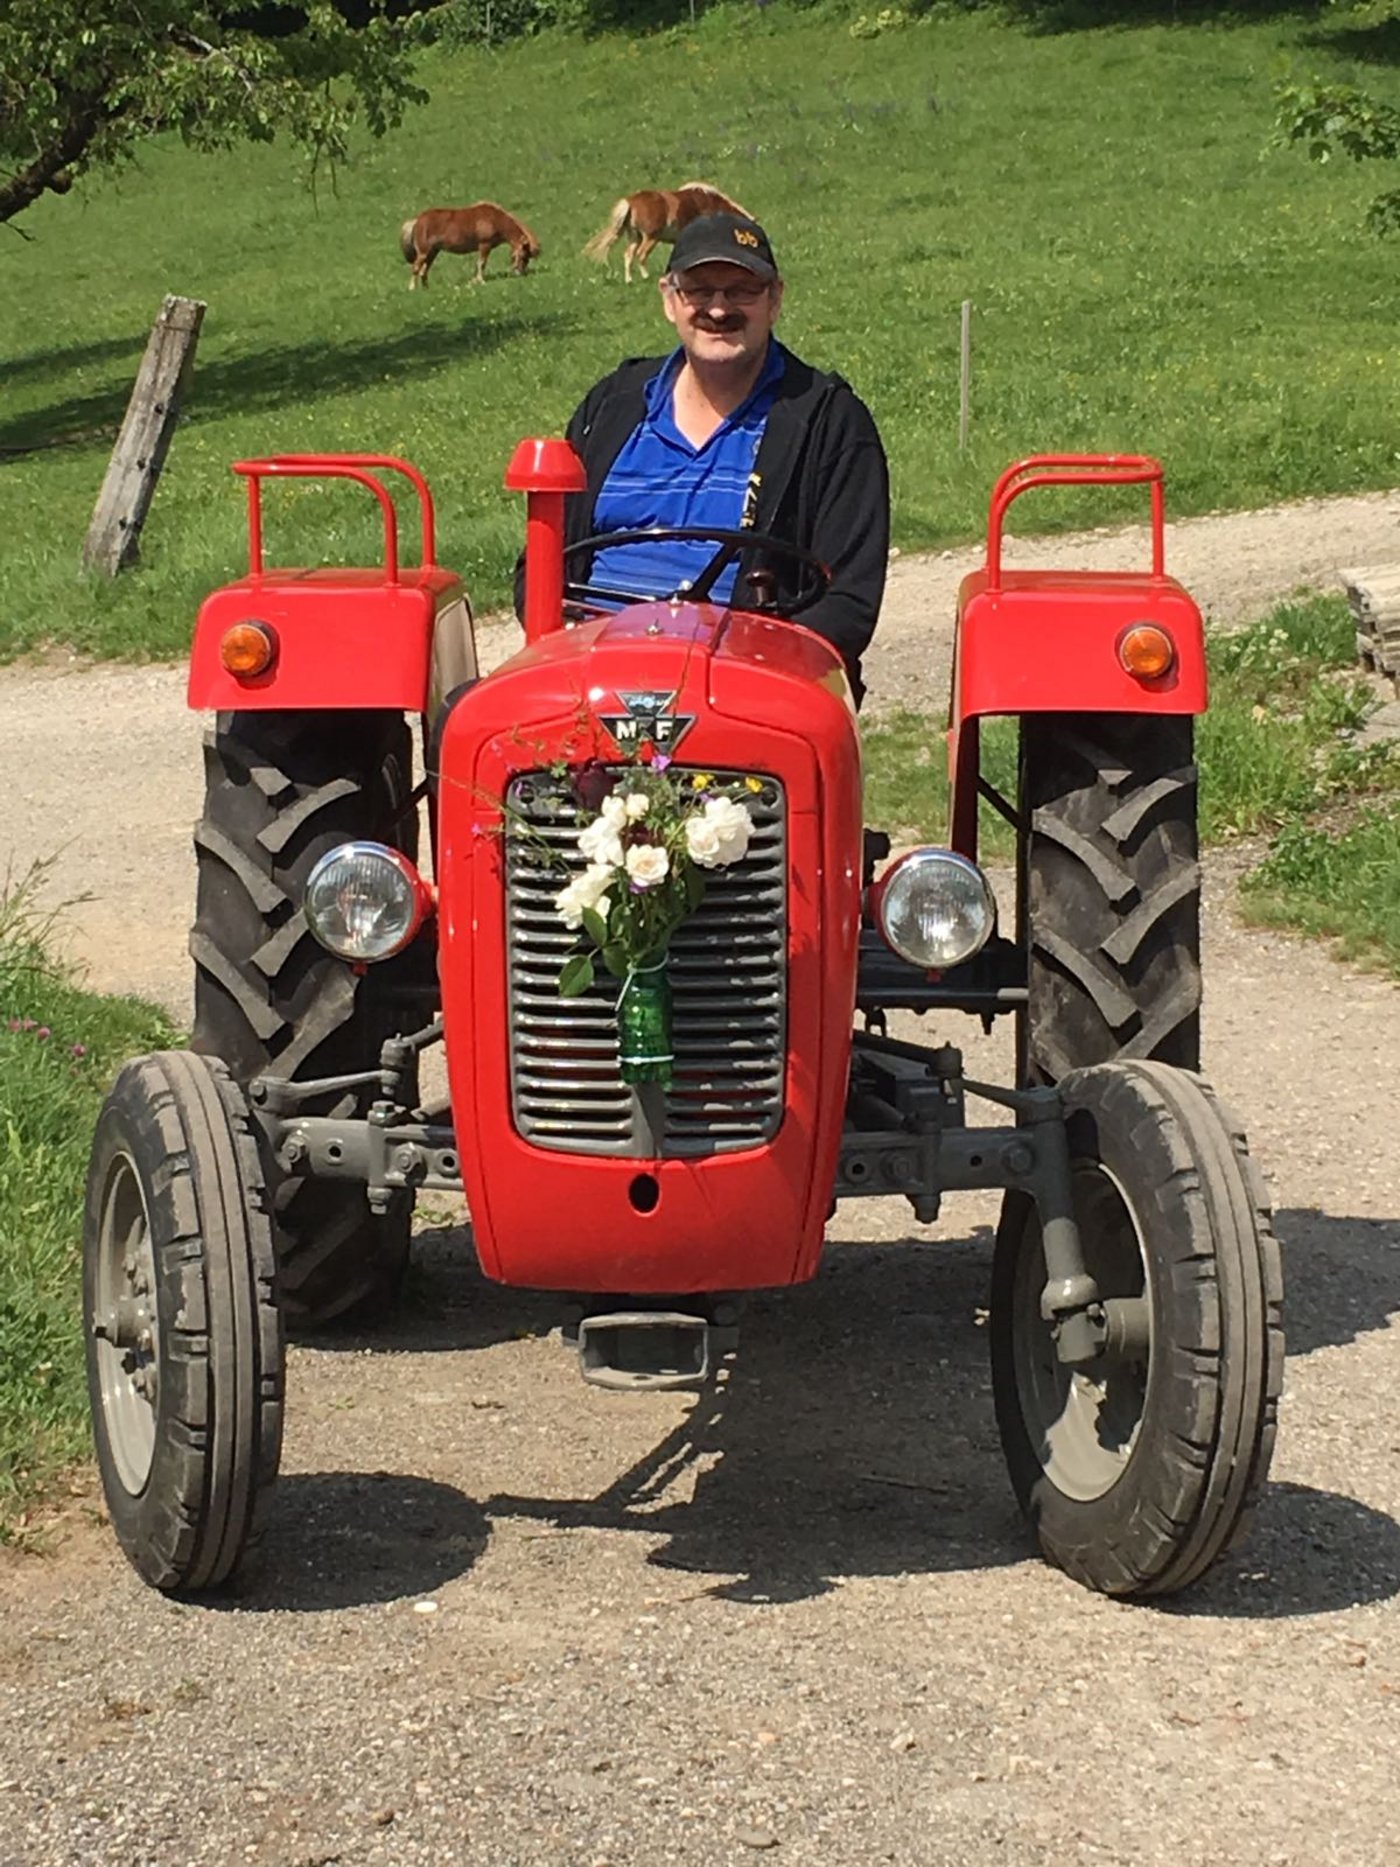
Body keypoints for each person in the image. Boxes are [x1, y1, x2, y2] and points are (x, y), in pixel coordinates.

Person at [534, 211, 890, 704]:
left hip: (745, 687)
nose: (718, 310)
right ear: (669, 299)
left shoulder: (829, 422)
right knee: (465, 718)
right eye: (699, 290)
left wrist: (739, 670)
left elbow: (848, 605)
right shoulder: (611, 407)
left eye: (741, 290)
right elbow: (538, 567)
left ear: (775, 299)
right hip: (590, 676)